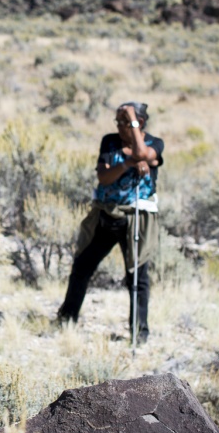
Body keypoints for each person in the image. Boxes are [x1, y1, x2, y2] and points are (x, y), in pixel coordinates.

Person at [56, 102, 163, 344]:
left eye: (122, 122)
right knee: (82, 266)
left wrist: (133, 131)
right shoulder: (110, 141)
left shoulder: (156, 143)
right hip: (107, 216)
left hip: (136, 219)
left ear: (140, 123)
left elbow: (142, 154)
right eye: (117, 121)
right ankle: (67, 317)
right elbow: (104, 178)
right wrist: (127, 163)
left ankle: (139, 334)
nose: (117, 126)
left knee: (137, 276)